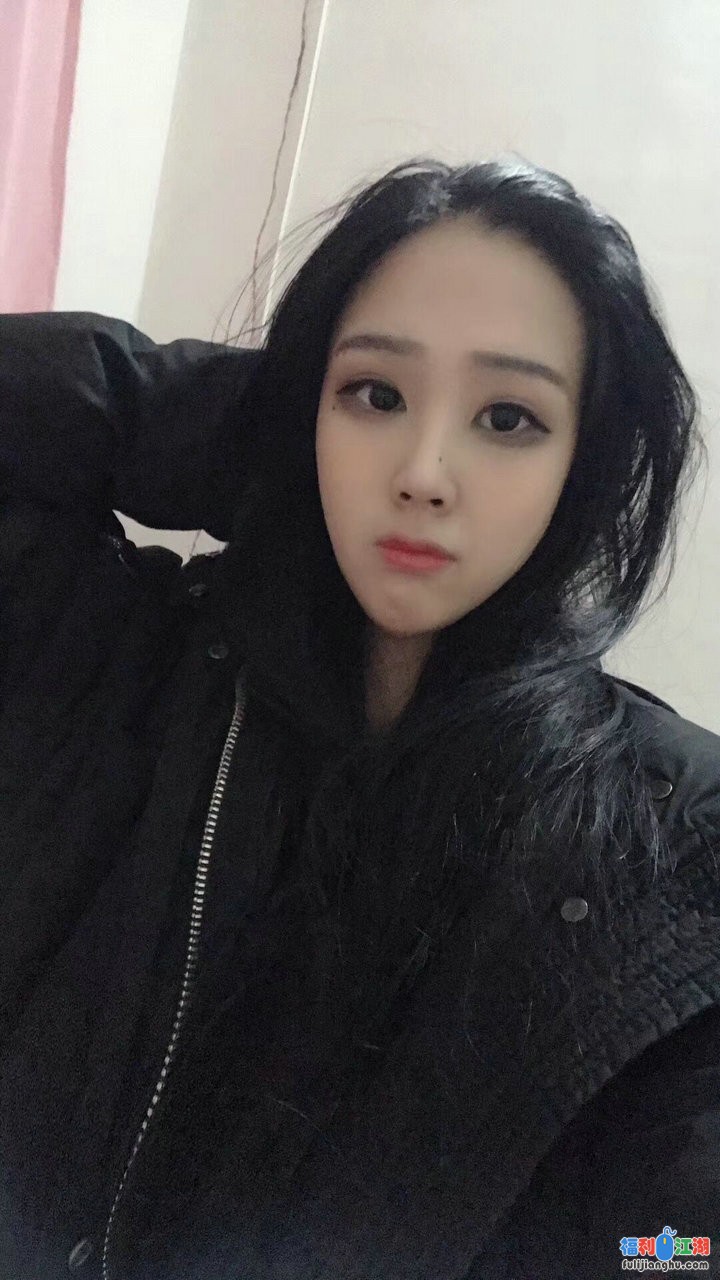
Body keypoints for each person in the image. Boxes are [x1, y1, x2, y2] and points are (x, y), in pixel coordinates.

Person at [0, 155, 718, 1280]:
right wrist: (265, 435)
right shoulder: (126, 665)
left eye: (508, 417)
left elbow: (676, 1248)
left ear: (585, 462)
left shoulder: (676, 831)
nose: (424, 473)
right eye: (375, 396)